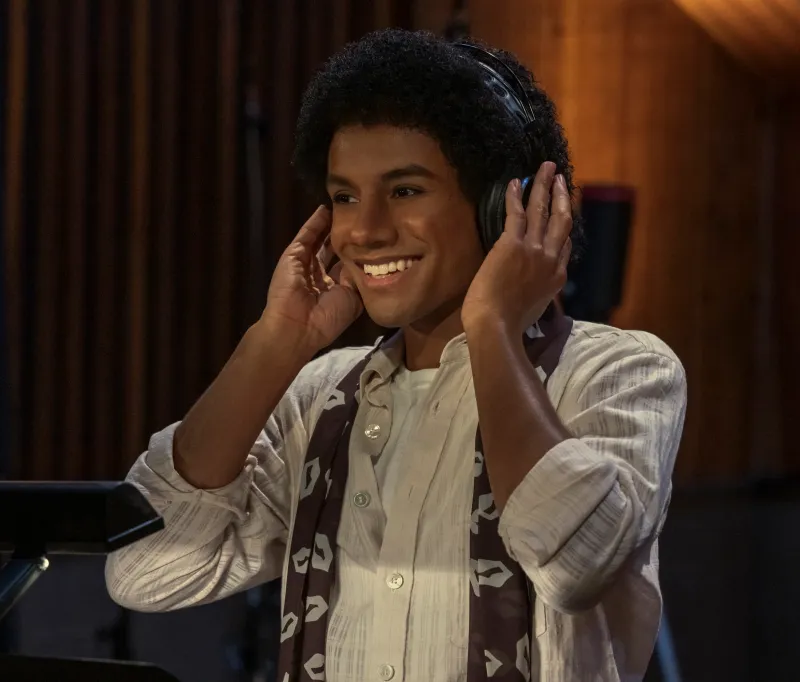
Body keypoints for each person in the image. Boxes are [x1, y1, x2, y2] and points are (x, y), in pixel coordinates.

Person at [106, 28, 686, 682]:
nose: (365, 230)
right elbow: (143, 568)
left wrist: (493, 326)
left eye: (405, 190)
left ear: (505, 207)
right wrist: (275, 342)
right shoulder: (322, 395)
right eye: (344, 197)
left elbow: (576, 562)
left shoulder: (620, 371)